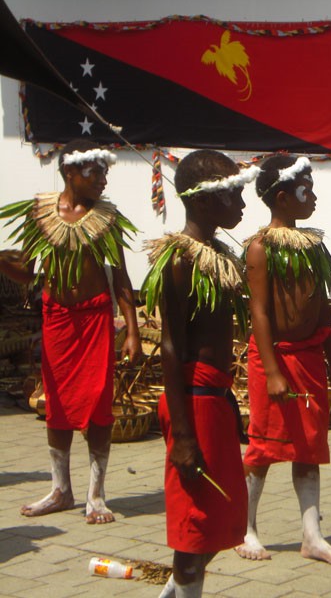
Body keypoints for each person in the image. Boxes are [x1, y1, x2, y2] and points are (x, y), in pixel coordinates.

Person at [0, 139, 141, 524]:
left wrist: (131, 329)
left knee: (98, 403)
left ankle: (96, 495)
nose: (102, 179)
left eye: (104, 171)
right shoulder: (41, 213)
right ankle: (61, 489)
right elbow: (29, 270)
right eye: (94, 172)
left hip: (95, 319)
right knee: (57, 403)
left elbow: (121, 277)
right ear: (69, 173)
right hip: (58, 319)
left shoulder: (107, 219)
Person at [142, 149, 251, 597]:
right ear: (204, 203)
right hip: (194, 402)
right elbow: (170, 348)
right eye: (234, 195)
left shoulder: (216, 254)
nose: (243, 205)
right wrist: (183, 434)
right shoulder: (180, 261)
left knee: (220, 514)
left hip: (214, 400)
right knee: (197, 522)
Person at [235, 154, 331, 566]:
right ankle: (245, 528)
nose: (314, 196)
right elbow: (260, 313)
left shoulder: (313, 245)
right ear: (283, 198)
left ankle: (312, 535)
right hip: (277, 361)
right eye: (307, 190)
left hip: (309, 361)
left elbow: (321, 307)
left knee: (309, 445)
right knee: (264, 447)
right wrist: (270, 371)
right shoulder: (260, 248)